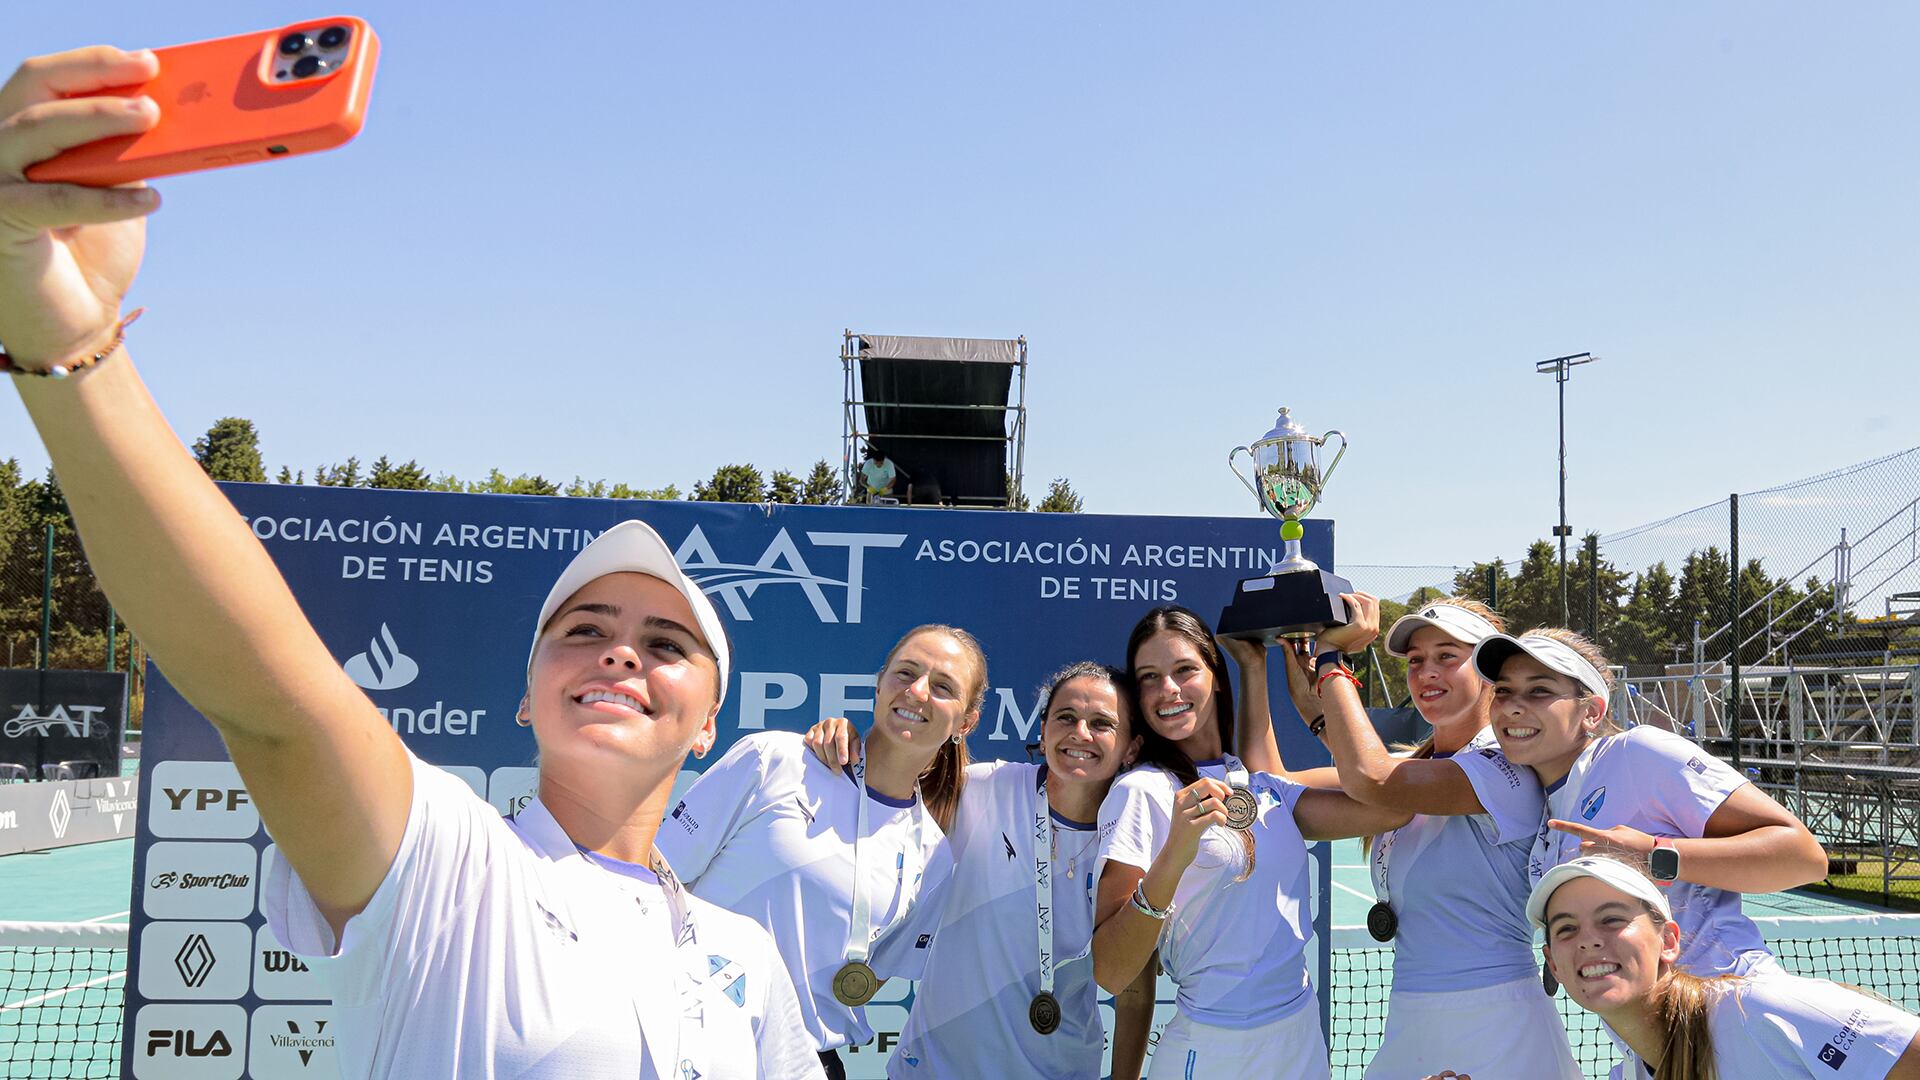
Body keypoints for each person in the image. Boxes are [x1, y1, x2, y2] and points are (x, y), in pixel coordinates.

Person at [0, 45, 820, 1078]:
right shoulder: (451, 869)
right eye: (584, 632)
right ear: (528, 697)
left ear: (708, 727)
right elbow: (275, 702)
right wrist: (72, 350)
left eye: (666, 643)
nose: (620, 655)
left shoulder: (746, 960)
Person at [1225, 595, 1582, 1079]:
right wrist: (1252, 666)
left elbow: (1371, 777)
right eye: (1416, 660)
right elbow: (1269, 780)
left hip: (1496, 1021)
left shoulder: (1504, 769)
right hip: (1412, 1015)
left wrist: (1332, 661)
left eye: (1447, 657)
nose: (1426, 672)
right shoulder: (1421, 770)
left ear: (1487, 673)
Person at [1092, 606, 1411, 1080]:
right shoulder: (1142, 791)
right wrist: (1175, 856)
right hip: (1214, 1051)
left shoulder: (1264, 786)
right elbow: (1114, 972)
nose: (1169, 691)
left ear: (1216, 676)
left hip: (1300, 1039)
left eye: (1185, 670)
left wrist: (1321, 668)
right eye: (1149, 678)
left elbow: (1391, 801)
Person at [801, 662, 1152, 1079]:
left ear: (1131, 747)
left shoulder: (1134, 832)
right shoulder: (981, 788)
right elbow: (883, 789)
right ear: (1042, 729)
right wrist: (841, 737)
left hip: (1062, 1070)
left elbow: (1133, 984)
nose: (1081, 733)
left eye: (1102, 723)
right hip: (933, 1069)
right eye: (1065, 717)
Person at [655, 625, 975, 1080]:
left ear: (966, 722)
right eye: (906, 673)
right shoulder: (775, 758)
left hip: (808, 1065)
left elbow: (866, 978)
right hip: (687, 1048)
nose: (918, 691)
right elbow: (656, 882)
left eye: (943, 686)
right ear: (880, 684)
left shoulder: (935, 857)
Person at [1469, 628, 1829, 976]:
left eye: (1539, 691)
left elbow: (1803, 858)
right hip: (1649, 1035)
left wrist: (1655, 854)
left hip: (1731, 1002)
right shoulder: (1541, 808)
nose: (1513, 707)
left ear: (1592, 712)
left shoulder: (1637, 752)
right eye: (1503, 691)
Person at [1532, 855, 1920, 1079]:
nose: (1589, 939)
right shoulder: (1629, 1075)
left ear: (1668, 941)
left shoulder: (1763, 1010)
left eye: (1612, 919)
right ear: (1553, 963)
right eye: (1567, 928)